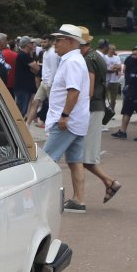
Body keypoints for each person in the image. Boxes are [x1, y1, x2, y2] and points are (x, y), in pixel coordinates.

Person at [40, 24, 91, 213]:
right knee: (75, 161)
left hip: (67, 121)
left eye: (58, 40)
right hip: (76, 120)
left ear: (70, 41)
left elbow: (73, 91)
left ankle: (42, 201)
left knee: (46, 161)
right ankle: (79, 200)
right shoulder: (74, 60)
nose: (55, 43)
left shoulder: (72, 62)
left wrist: (64, 115)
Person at [79, 31, 123, 203]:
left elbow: (89, 90)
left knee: (84, 156)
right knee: (82, 156)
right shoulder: (96, 57)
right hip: (96, 107)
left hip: (92, 107)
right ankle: (108, 183)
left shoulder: (89, 59)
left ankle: (109, 182)